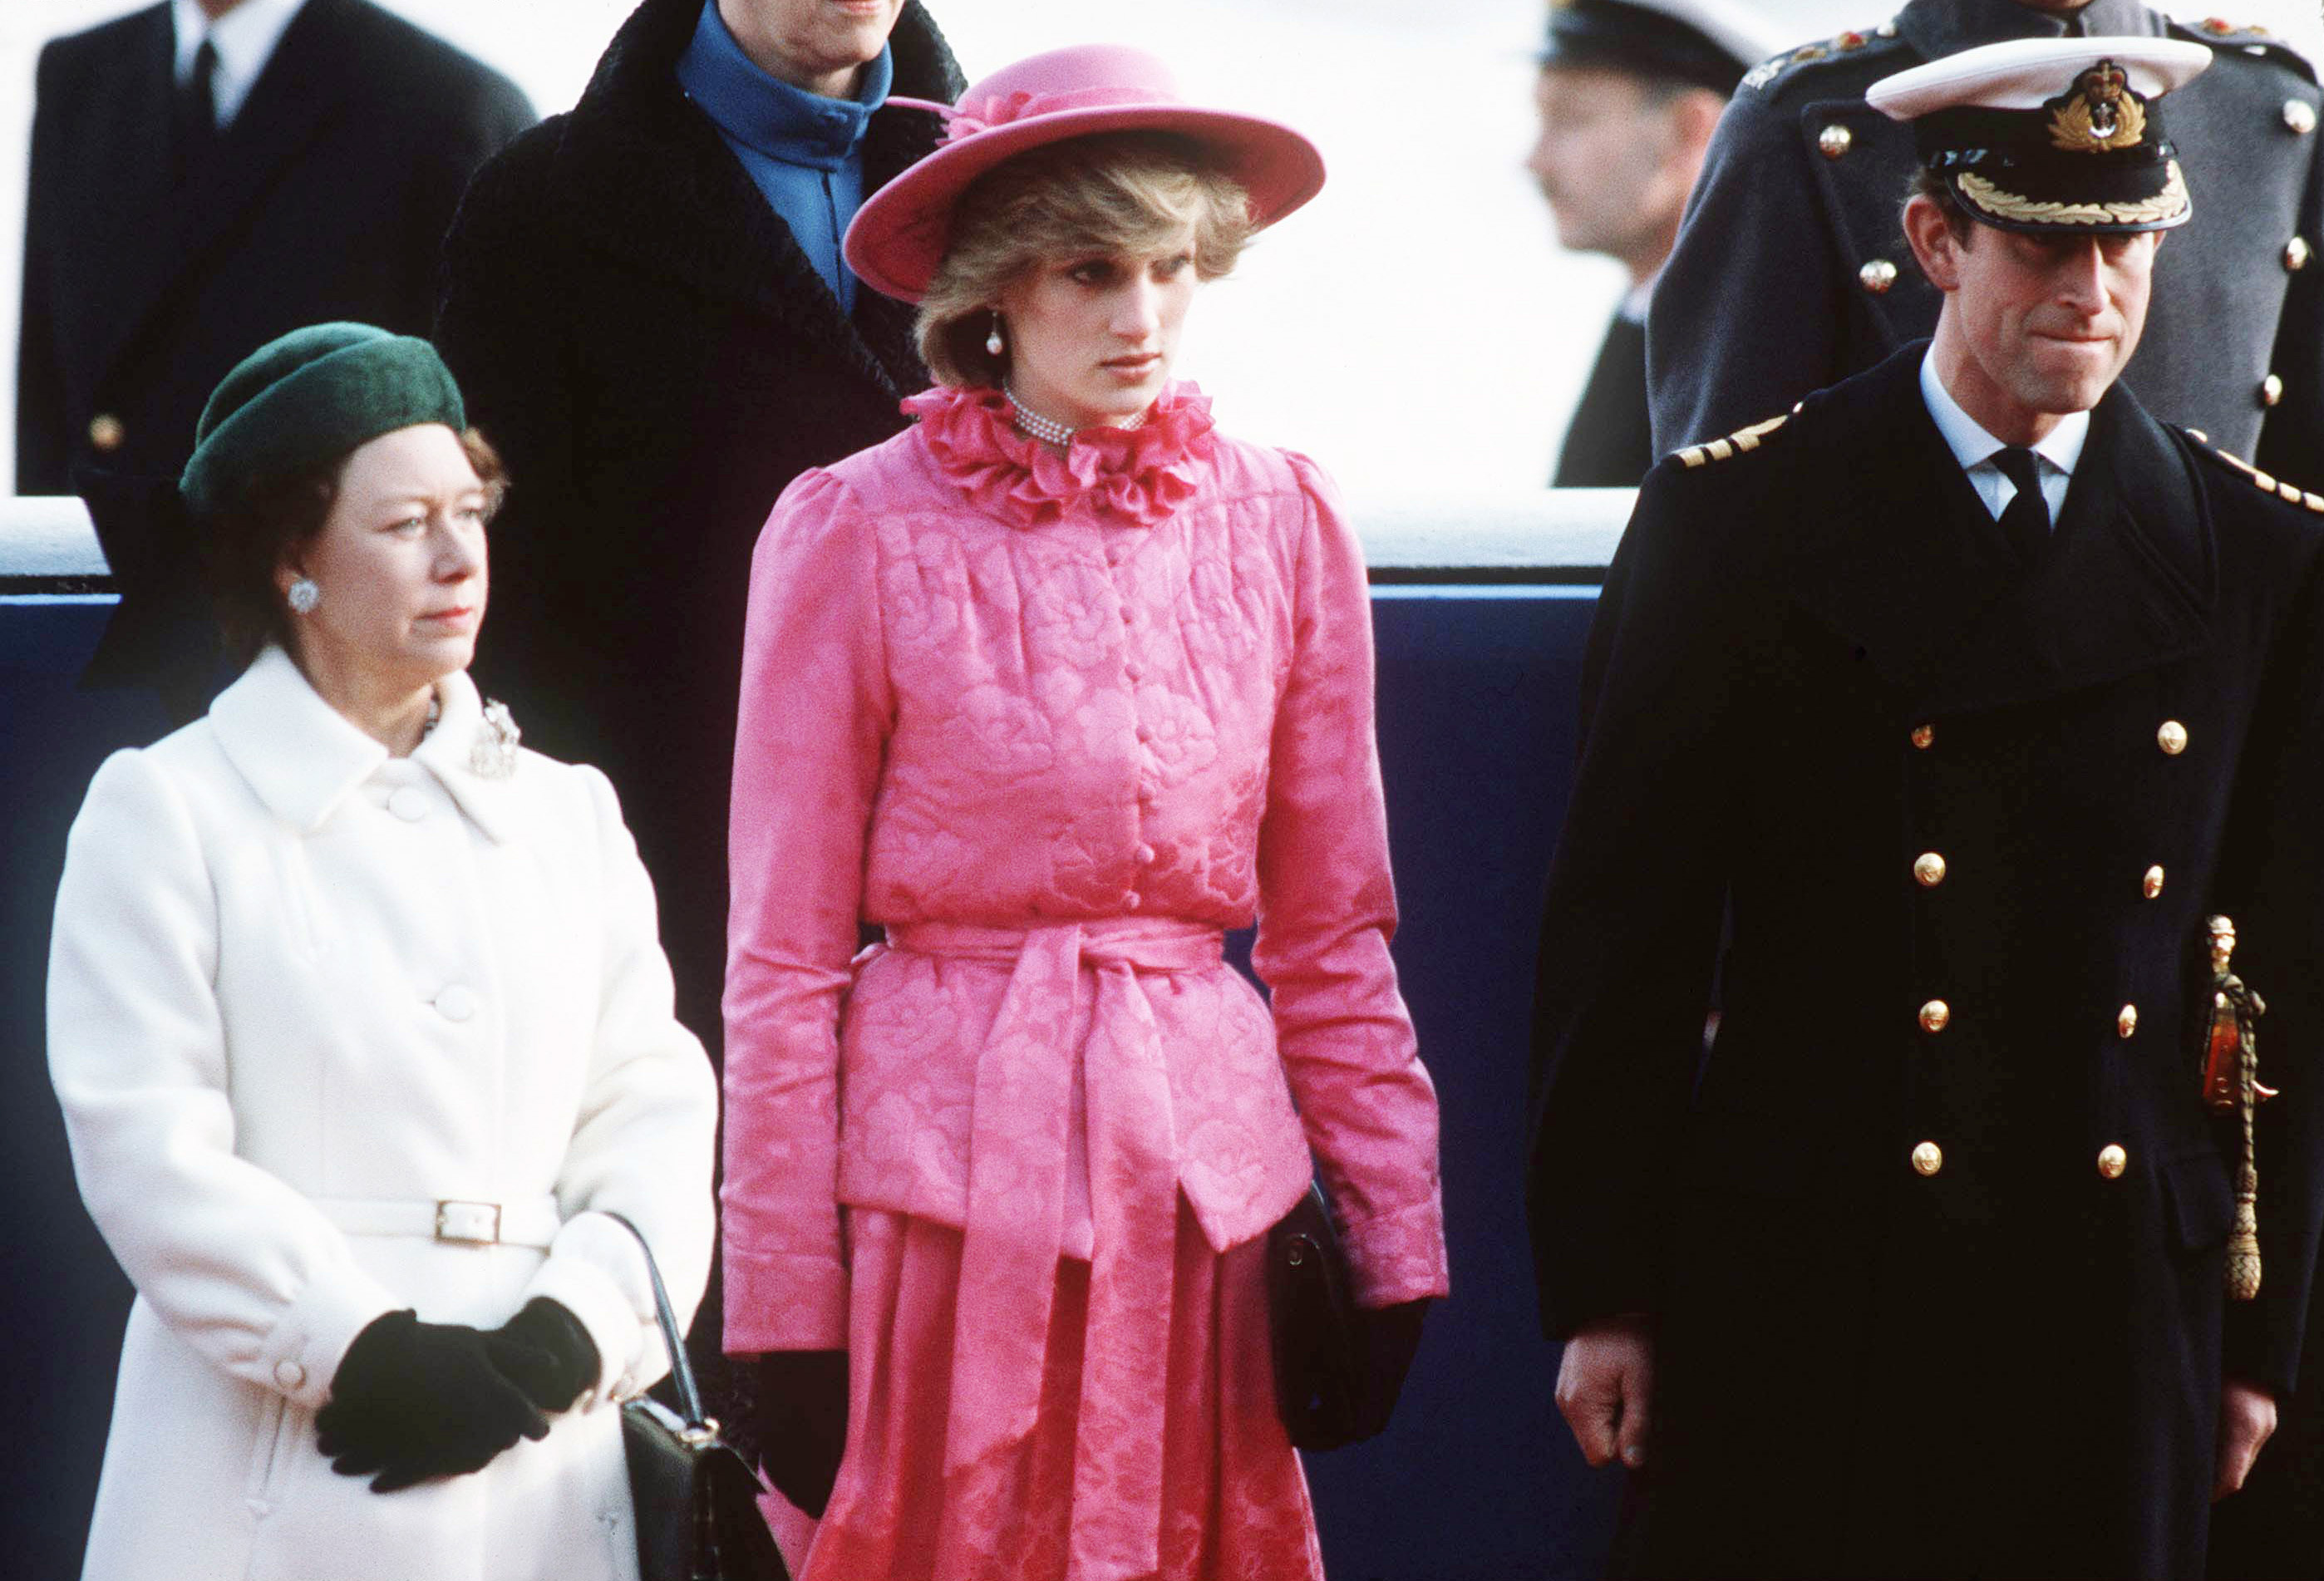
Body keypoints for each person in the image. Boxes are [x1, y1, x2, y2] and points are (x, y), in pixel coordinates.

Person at [1529, 39, 2324, 1579]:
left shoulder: (2258, 557)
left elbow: (2287, 981)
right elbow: (1626, 934)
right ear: (1934, 241)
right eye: (2040, 242)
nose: (2089, 294)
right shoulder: (1740, 518)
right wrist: (1606, 1291)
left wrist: (2256, 1334)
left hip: (2114, 1285)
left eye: (2126, 242)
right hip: (1817, 1251)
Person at [720, 46, 1450, 1579]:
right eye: (1089, 269)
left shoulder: (1284, 516)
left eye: (1173, 268)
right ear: (992, 291)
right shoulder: (850, 524)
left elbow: (1332, 927)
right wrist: (783, 1309)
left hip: (1202, 1208)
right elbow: (781, 958)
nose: (1140, 317)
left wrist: (1393, 1239)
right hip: (939, 1204)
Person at [46, 324, 717, 1581]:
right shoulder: (169, 809)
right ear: (292, 557)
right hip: (274, 1468)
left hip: (543, 1464)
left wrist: (578, 1327)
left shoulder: (567, 812)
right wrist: (349, 1345)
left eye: (472, 509)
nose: (460, 555)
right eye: (406, 522)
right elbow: (145, 1143)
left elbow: (655, 1108)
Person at [433, 0, 965, 1063]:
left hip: (963, 930)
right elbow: (492, 607)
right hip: (668, 913)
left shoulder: (1006, 192)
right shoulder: (545, 209)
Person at [1646, 0, 2324, 490]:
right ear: (1931, 238)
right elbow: (1725, 524)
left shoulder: (2269, 105)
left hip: (2207, 667)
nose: (2090, 291)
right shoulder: (1799, 117)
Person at [16, 0, 532, 498]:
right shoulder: (78, 75)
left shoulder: (448, 108)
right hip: (101, 560)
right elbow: (48, 388)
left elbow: (477, 445)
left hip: (303, 574)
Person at [1526, 0, 1776, 486]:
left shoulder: (1749, 349)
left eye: (1571, 120)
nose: (1536, 162)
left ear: (1690, 131)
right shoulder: (1657, 312)